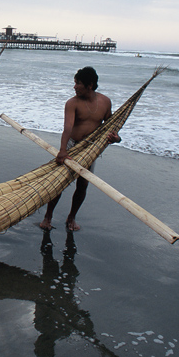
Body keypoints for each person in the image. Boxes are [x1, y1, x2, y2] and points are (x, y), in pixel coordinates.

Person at [39, 66, 121, 232]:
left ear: (89, 85)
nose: (74, 86)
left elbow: (111, 126)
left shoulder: (105, 102)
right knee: (59, 183)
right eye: (75, 83)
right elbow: (68, 127)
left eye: (78, 83)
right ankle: (48, 216)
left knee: (82, 185)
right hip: (72, 146)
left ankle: (72, 217)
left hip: (90, 149)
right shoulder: (72, 103)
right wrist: (62, 150)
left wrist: (116, 139)